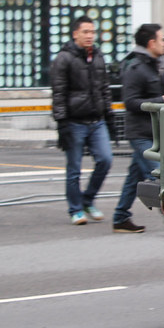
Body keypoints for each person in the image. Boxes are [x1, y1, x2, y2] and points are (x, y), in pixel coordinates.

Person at [115, 23, 164, 233]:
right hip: (140, 133)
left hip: (152, 131)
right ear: (151, 43)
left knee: (134, 175)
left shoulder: (154, 64)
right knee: (159, 174)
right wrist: (159, 100)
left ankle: (120, 218)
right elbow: (130, 101)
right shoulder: (135, 68)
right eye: (162, 40)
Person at [50, 15, 114, 225]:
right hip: (74, 122)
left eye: (92, 32)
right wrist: (61, 123)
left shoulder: (97, 56)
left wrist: (109, 113)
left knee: (105, 160)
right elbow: (58, 92)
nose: (89, 36)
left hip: (97, 120)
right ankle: (75, 209)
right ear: (75, 33)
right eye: (85, 32)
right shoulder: (64, 58)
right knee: (74, 169)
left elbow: (104, 87)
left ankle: (87, 200)